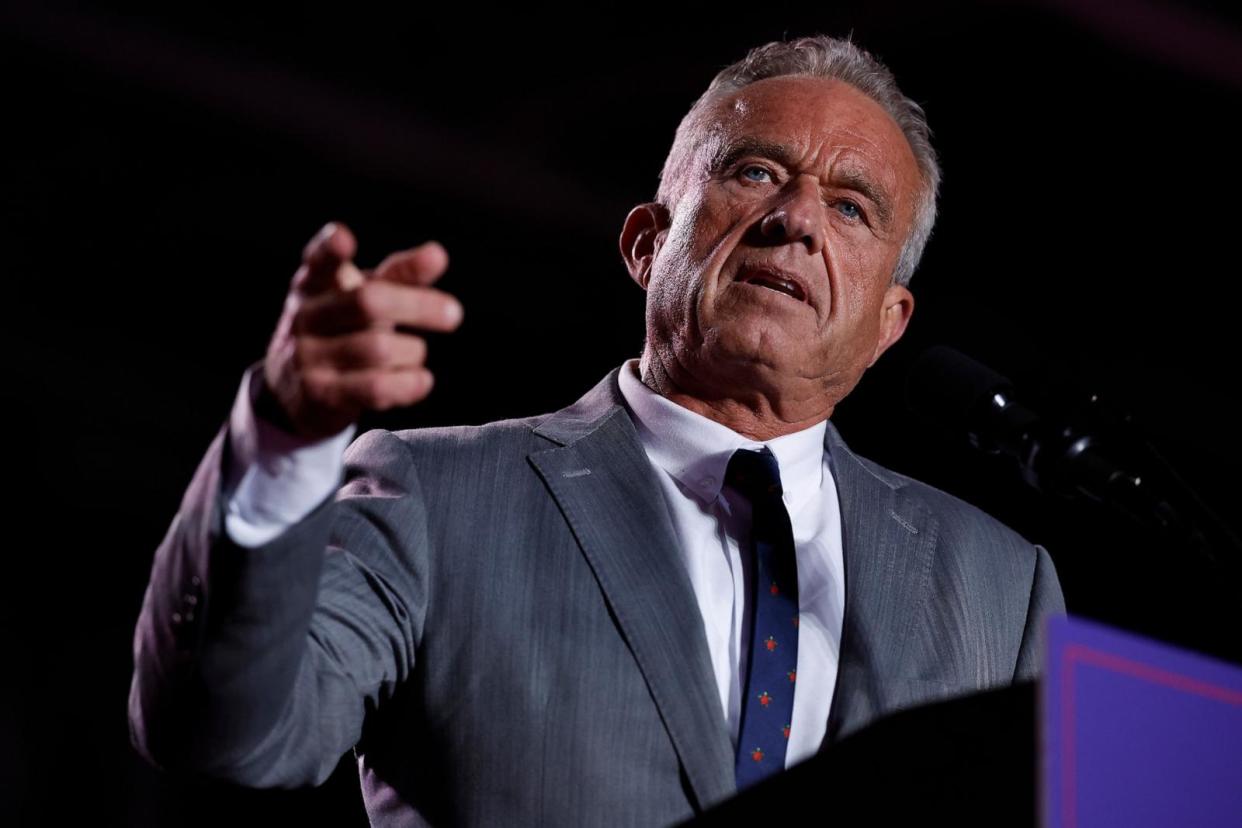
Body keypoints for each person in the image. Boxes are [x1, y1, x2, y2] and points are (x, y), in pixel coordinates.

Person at [128, 35, 1065, 826]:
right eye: (755, 171)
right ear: (647, 244)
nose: (795, 220)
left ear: (889, 322)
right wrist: (286, 440)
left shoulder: (1002, 590)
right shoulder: (432, 497)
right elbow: (226, 732)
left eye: (852, 206)